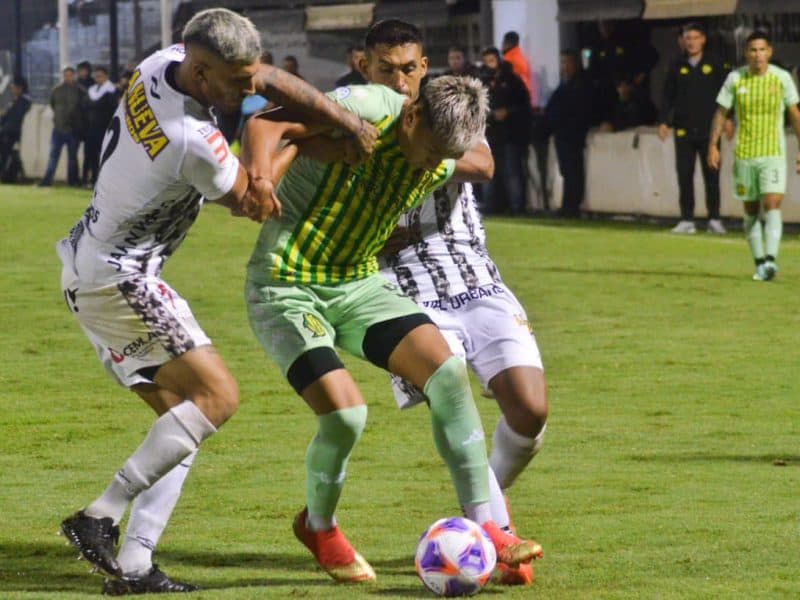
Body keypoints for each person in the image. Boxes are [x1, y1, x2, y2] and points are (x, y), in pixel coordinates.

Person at [57, 7, 379, 595]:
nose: (248, 89)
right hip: (120, 277)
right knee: (218, 397)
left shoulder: (162, 62)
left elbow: (270, 81)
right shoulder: (193, 140)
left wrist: (343, 121)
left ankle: (134, 566)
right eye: (236, 81)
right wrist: (297, 137)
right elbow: (255, 203)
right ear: (203, 73)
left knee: (184, 420)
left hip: (90, 263)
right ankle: (100, 514)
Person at [241, 74, 543, 582]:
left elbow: (465, 167)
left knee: (447, 373)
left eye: (444, 159)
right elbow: (265, 124)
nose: (432, 166)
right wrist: (261, 178)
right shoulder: (365, 107)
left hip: (358, 283)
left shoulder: (440, 152)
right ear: (411, 115)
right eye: (430, 152)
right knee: (346, 416)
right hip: (286, 282)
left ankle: (487, 525)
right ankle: (319, 527)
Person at [360, 19, 548, 586]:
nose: (399, 81)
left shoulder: (446, 103)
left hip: (474, 272)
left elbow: (483, 164)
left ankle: (477, 511)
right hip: (404, 286)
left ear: (424, 66)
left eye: (409, 68)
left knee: (530, 409)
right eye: (386, 69)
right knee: (451, 393)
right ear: (365, 67)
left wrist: (411, 151)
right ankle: (496, 533)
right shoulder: (347, 120)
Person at [708, 30, 800, 281]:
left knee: (772, 203)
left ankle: (770, 260)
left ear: (769, 52)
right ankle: (759, 262)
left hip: (773, 154)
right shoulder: (735, 78)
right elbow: (721, 113)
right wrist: (713, 145)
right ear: (746, 54)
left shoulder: (781, 78)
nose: (758, 55)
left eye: (762, 50)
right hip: (745, 154)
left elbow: (794, 115)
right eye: (753, 50)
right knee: (750, 210)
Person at [659, 23, 727, 235]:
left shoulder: (714, 63)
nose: (691, 42)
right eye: (688, 38)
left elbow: (725, 94)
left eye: (696, 38)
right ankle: (687, 218)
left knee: (712, 176)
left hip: (710, 131)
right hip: (684, 130)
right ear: (683, 40)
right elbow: (667, 96)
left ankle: (714, 218)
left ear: (703, 40)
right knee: (684, 175)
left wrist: (729, 118)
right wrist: (664, 121)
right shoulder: (676, 65)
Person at [480, 47, 532, 215]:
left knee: (512, 172)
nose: (490, 64)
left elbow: (524, 104)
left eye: (492, 60)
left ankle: (517, 207)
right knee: (490, 173)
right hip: (490, 135)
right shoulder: (482, 81)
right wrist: (489, 115)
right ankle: (492, 206)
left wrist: (508, 112)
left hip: (510, 134)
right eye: (487, 61)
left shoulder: (513, 80)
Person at [546, 50, 591, 218]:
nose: (564, 66)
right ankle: (568, 205)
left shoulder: (580, 84)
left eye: (567, 62)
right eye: (562, 62)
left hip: (572, 134)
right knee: (566, 171)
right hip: (562, 134)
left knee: (573, 171)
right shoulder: (565, 85)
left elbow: (578, 110)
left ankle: (573, 206)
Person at [38, 66, 86, 187]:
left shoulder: (80, 91)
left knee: (72, 159)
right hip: (58, 129)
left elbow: (83, 109)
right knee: (53, 157)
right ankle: (47, 181)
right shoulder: (56, 90)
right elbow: (53, 105)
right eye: (65, 75)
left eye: (70, 75)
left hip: (72, 130)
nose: (67, 77)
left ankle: (72, 181)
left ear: (74, 76)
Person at [82, 66, 118, 186]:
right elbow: (85, 107)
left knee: (102, 155)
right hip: (90, 128)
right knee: (89, 154)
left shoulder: (111, 91)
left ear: (106, 76)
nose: (98, 79)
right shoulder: (91, 90)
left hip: (104, 128)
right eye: (96, 76)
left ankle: (99, 180)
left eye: (100, 76)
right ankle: (87, 179)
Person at [0, 76, 32, 182]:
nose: (12, 89)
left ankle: (6, 176)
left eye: (13, 87)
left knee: (7, 154)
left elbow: (15, 117)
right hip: (7, 131)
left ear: (20, 88)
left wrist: (4, 115)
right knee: (8, 154)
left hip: (12, 132)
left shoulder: (24, 101)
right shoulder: (16, 100)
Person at [502, 31, 536, 107]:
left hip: (515, 101)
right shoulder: (522, 58)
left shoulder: (507, 60)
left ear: (506, 43)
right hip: (526, 98)